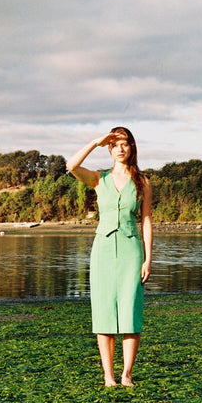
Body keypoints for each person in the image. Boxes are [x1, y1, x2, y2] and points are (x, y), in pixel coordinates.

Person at [67, 127, 152, 387]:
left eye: (124, 144)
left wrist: (148, 259)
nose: (120, 149)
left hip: (131, 250)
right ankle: (108, 375)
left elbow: (146, 220)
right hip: (103, 250)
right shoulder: (98, 178)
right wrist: (95, 141)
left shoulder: (143, 182)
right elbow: (71, 166)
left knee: (130, 312)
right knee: (104, 312)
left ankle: (126, 374)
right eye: (115, 144)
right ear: (109, 149)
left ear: (132, 147)